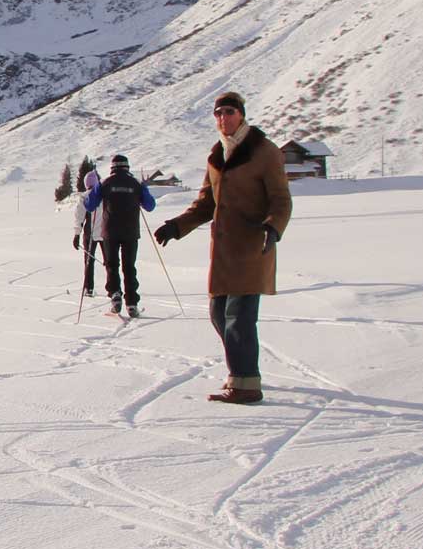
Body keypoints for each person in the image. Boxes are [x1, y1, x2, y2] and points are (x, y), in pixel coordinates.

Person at [153, 91, 291, 403]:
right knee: (219, 314)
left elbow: (281, 199)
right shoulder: (217, 155)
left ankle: (246, 385)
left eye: (229, 112)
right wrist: (177, 226)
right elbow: (205, 203)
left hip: (253, 245)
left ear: (241, 115)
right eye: (218, 113)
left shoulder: (264, 151)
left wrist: (273, 227)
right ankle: (243, 373)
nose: (223, 118)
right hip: (223, 251)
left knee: (239, 317)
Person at [87, 154, 155, 317]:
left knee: (111, 264)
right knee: (129, 266)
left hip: (110, 231)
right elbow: (150, 206)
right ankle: (132, 303)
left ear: (112, 168)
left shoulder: (105, 183)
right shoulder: (136, 183)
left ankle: (115, 295)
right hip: (131, 231)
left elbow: (89, 205)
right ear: (127, 167)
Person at [70, 167, 103, 301]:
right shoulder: (103, 195)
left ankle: (89, 288)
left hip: (89, 235)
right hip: (105, 233)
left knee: (89, 261)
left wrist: (76, 235)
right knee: (110, 261)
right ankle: (113, 288)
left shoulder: (84, 197)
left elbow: (79, 218)